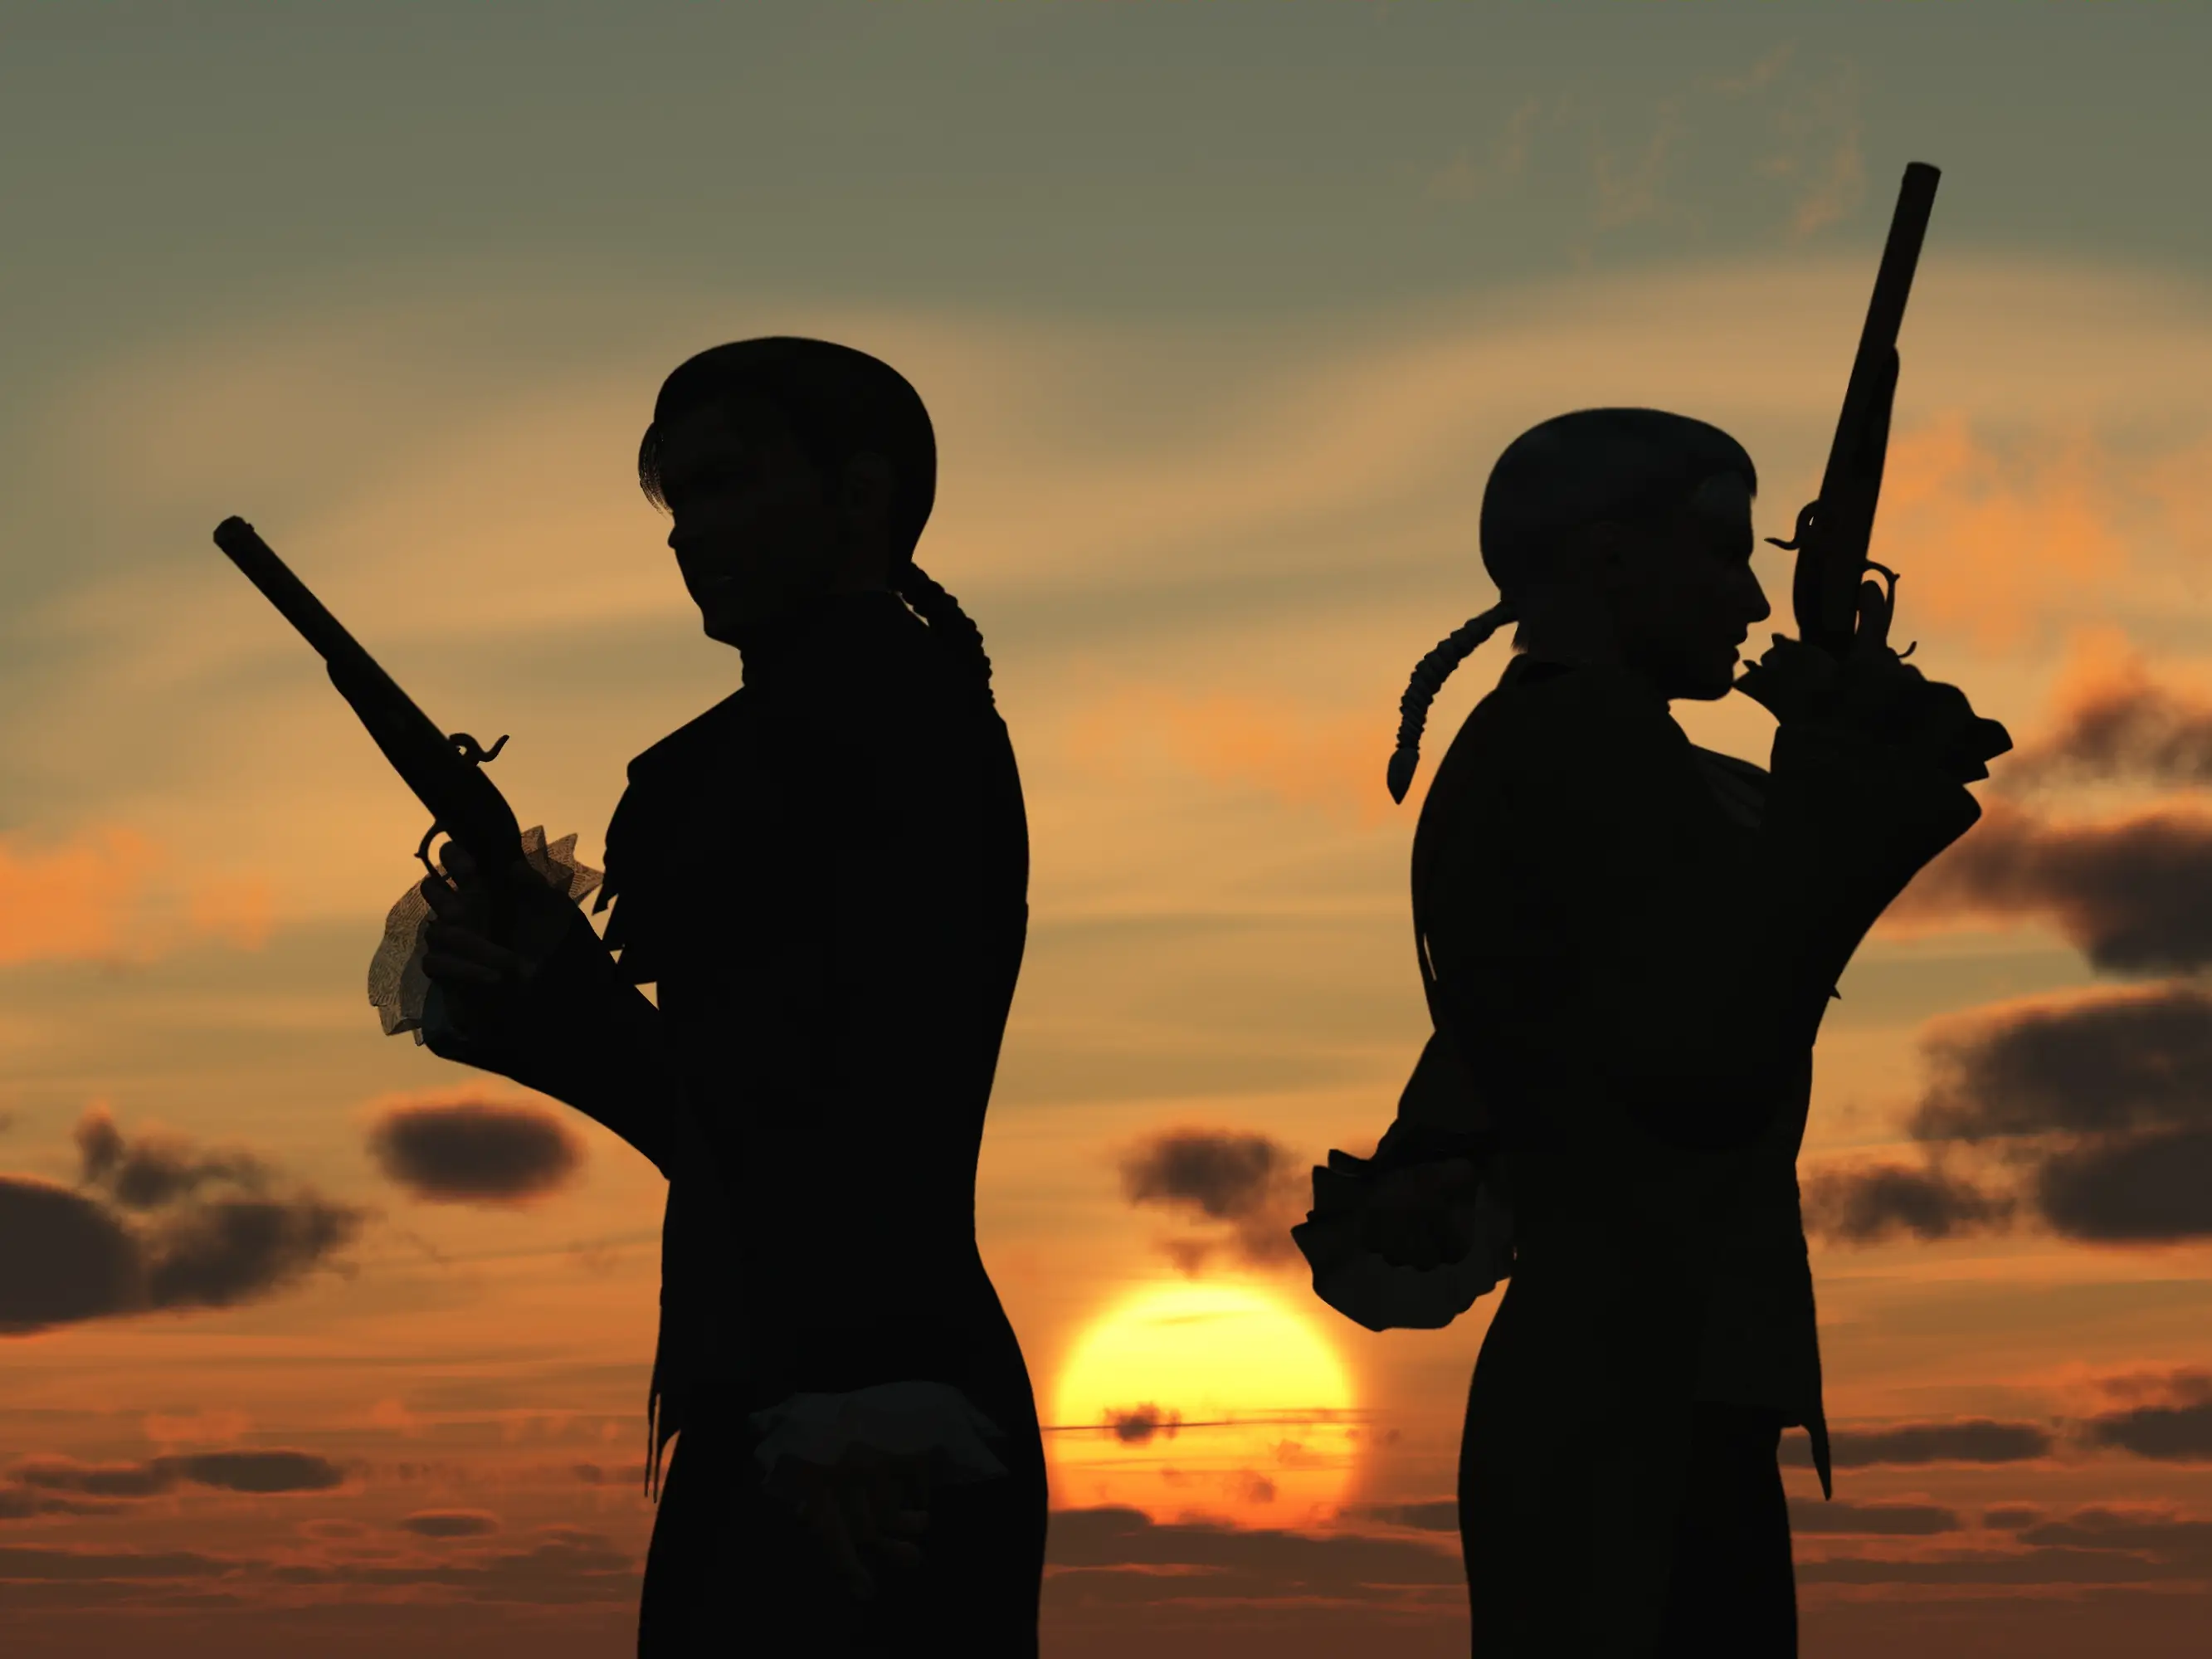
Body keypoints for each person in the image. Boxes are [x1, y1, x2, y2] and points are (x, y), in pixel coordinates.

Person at [1336, 409, 2006, 1655]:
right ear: (1605, 560)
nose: (1752, 598)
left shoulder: (1593, 748)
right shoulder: (1582, 743)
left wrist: (1847, 763)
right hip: (1636, 1406)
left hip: (1648, 1385)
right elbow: (1712, 1050)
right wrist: (1848, 776)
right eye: (1717, 554)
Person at [412, 338, 1045, 1655]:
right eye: (674, 502)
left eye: (723, 483)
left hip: (867, 1413)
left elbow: (874, 1084)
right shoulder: (801, 740)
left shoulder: (874, 729)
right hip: (797, 1388)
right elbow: (721, 1118)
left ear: (859, 495)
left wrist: (852, 1400)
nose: (686, 532)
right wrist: (543, 1005)